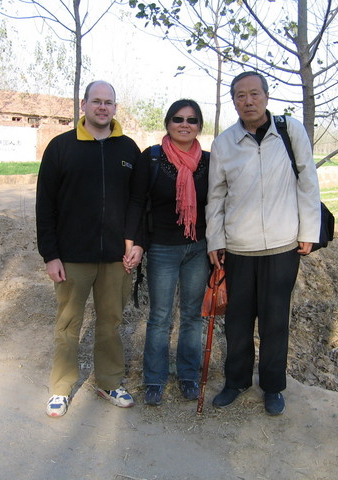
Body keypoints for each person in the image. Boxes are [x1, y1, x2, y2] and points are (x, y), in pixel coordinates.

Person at [205, 71, 321, 415]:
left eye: (254, 94)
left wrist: (308, 232)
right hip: (239, 248)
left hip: (283, 247)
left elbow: (308, 181)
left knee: (275, 323)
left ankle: (273, 386)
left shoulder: (290, 131)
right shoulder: (224, 143)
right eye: (240, 95)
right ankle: (237, 381)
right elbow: (216, 196)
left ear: (266, 97)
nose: (248, 101)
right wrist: (215, 239)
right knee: (238, 323)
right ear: (234, 101)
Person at [36, 80, 143, 417]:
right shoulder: (61, 147)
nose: (102, 107)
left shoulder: (128, 149)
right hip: (71, 257)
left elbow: (139, 202)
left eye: (108, 102)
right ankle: (61, 386)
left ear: (115, 108)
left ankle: (109, 381)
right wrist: (50, 254)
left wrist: (137, 242)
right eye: (95, 101)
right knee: (68, 324)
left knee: (110, 322)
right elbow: (45, 205)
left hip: (116, 259)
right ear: (83, 105)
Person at [125, 99, 210, 406]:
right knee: (160, 317)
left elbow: (219, 204)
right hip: (162, 248)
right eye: (177, 119)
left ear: (200, 125)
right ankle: (154, 379)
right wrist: (133, 242)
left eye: (191, 119)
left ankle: (188, 376)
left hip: (198, 248)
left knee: (191, 316)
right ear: (167, 123)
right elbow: (136, 202)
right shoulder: (152, 158)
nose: (184, 124)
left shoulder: (209, 162)